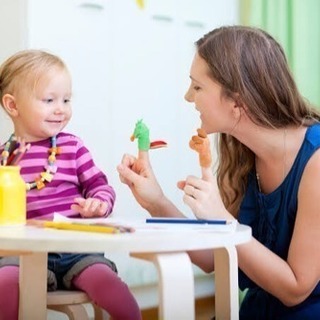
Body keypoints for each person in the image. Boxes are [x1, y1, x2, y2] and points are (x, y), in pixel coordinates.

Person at [117, 25, 320, 319]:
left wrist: (224, 220)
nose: (188, 97)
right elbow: (213, 257)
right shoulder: (241, 150)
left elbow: (296, 288)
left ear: (237, 101)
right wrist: (156, 200)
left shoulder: (315, 163)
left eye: (197, 87)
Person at [0, 50, 141, 320]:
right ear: (13, 106)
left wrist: (98, 204)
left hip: (77, 252)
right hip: (23, 255)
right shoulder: (5, 158)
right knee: (5, 285)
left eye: (66, 99)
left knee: (116, 294)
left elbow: (100, 186)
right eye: (49, 100)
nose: (60, 109)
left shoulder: (72, 147)